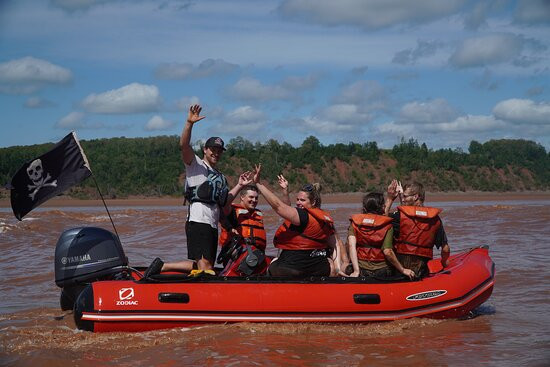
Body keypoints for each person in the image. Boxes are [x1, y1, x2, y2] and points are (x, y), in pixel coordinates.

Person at [144, 104, 251, 277]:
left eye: (219, 151)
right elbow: (184, 145)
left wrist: (240, 185)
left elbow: (224, 202)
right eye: (213, 149)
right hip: (197, 220)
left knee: (202, 263)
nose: (216, 153)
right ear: (205, 150)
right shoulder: (195, 165)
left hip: (211, 223)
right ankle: (202, 293)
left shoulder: (220, 176)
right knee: (205, 266)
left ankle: (163, 266)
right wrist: (189, 123)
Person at [251, 164, 340, 278]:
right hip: (318, 268)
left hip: (292, 267)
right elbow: (335, 244)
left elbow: (279, 207)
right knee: (329, 263)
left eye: (302, 200)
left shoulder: (302, 216)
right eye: (297, 199)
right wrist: (336, 269)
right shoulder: (324, 218)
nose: (298, 202)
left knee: (273, 262)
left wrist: (258, 184)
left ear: (312, 202)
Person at [384, 180, 450, 278]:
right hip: (422, 272)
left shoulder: (399, 217)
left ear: (415, 197)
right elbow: (445, 249)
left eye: (405, 196)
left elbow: (381, 221)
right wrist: (444, 263)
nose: (403, 199)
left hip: (400, 271)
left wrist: (389, 199)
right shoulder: (435, 218)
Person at [347, 192, 415, 280]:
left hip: (361, 269)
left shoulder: (355, 223)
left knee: (346, 268)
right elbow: (388, 251)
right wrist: (403, 270)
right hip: (382, 270)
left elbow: (351, 245)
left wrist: (356, 270)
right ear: (382, 208)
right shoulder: (387, 225)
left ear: (364, 208)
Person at [219, 184, 267, 252]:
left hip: (257, 253)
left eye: (256, 198)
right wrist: (239, 185)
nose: (254, 200)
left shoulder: (258, 214)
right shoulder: (232, 211)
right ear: (242, 197)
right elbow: (225, 204)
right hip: (237, 254)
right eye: (251, 197)